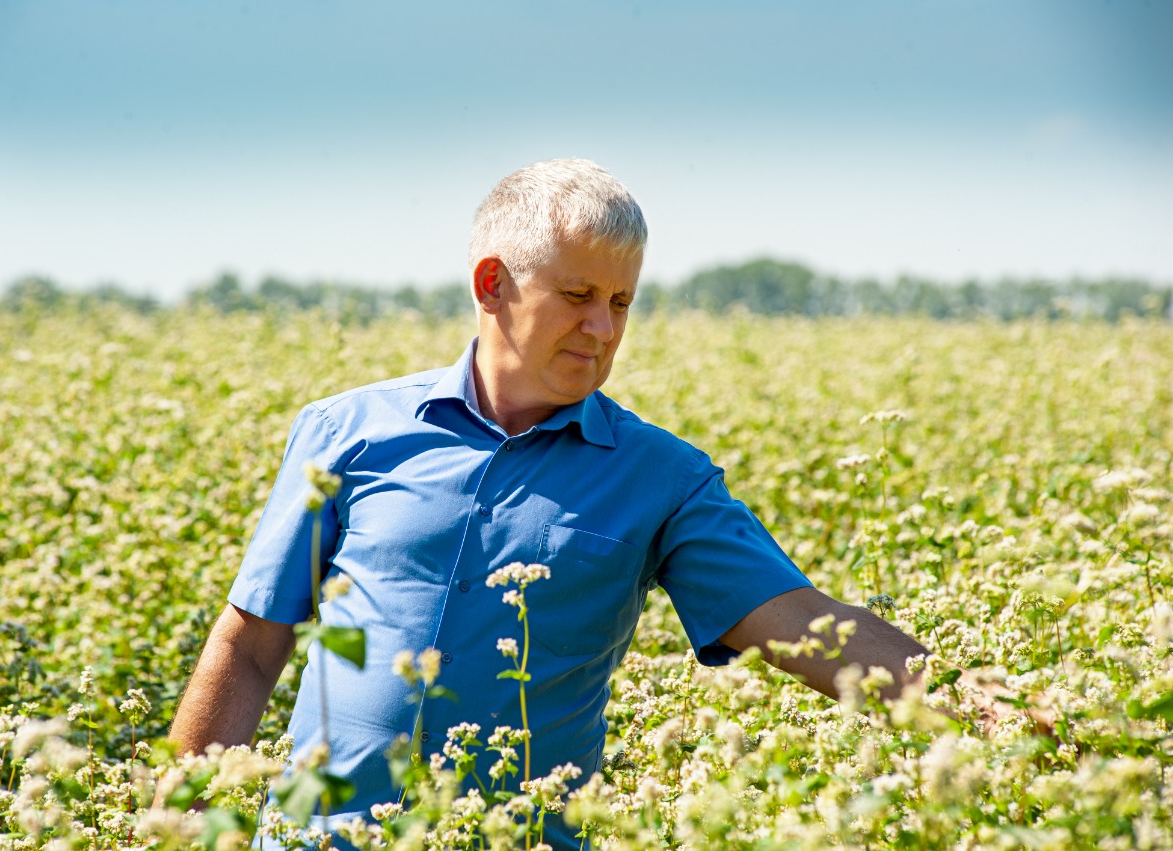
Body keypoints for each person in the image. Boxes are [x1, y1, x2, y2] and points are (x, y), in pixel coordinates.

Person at [169, 158, 1001, 848]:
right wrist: (186, 824)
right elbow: (249, 647)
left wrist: (983, 705)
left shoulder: (663, 477)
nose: (603, 329)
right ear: (492, 284)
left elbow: (798, 619)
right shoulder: (346, 431)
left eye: (622, 302)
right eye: (578, 296)